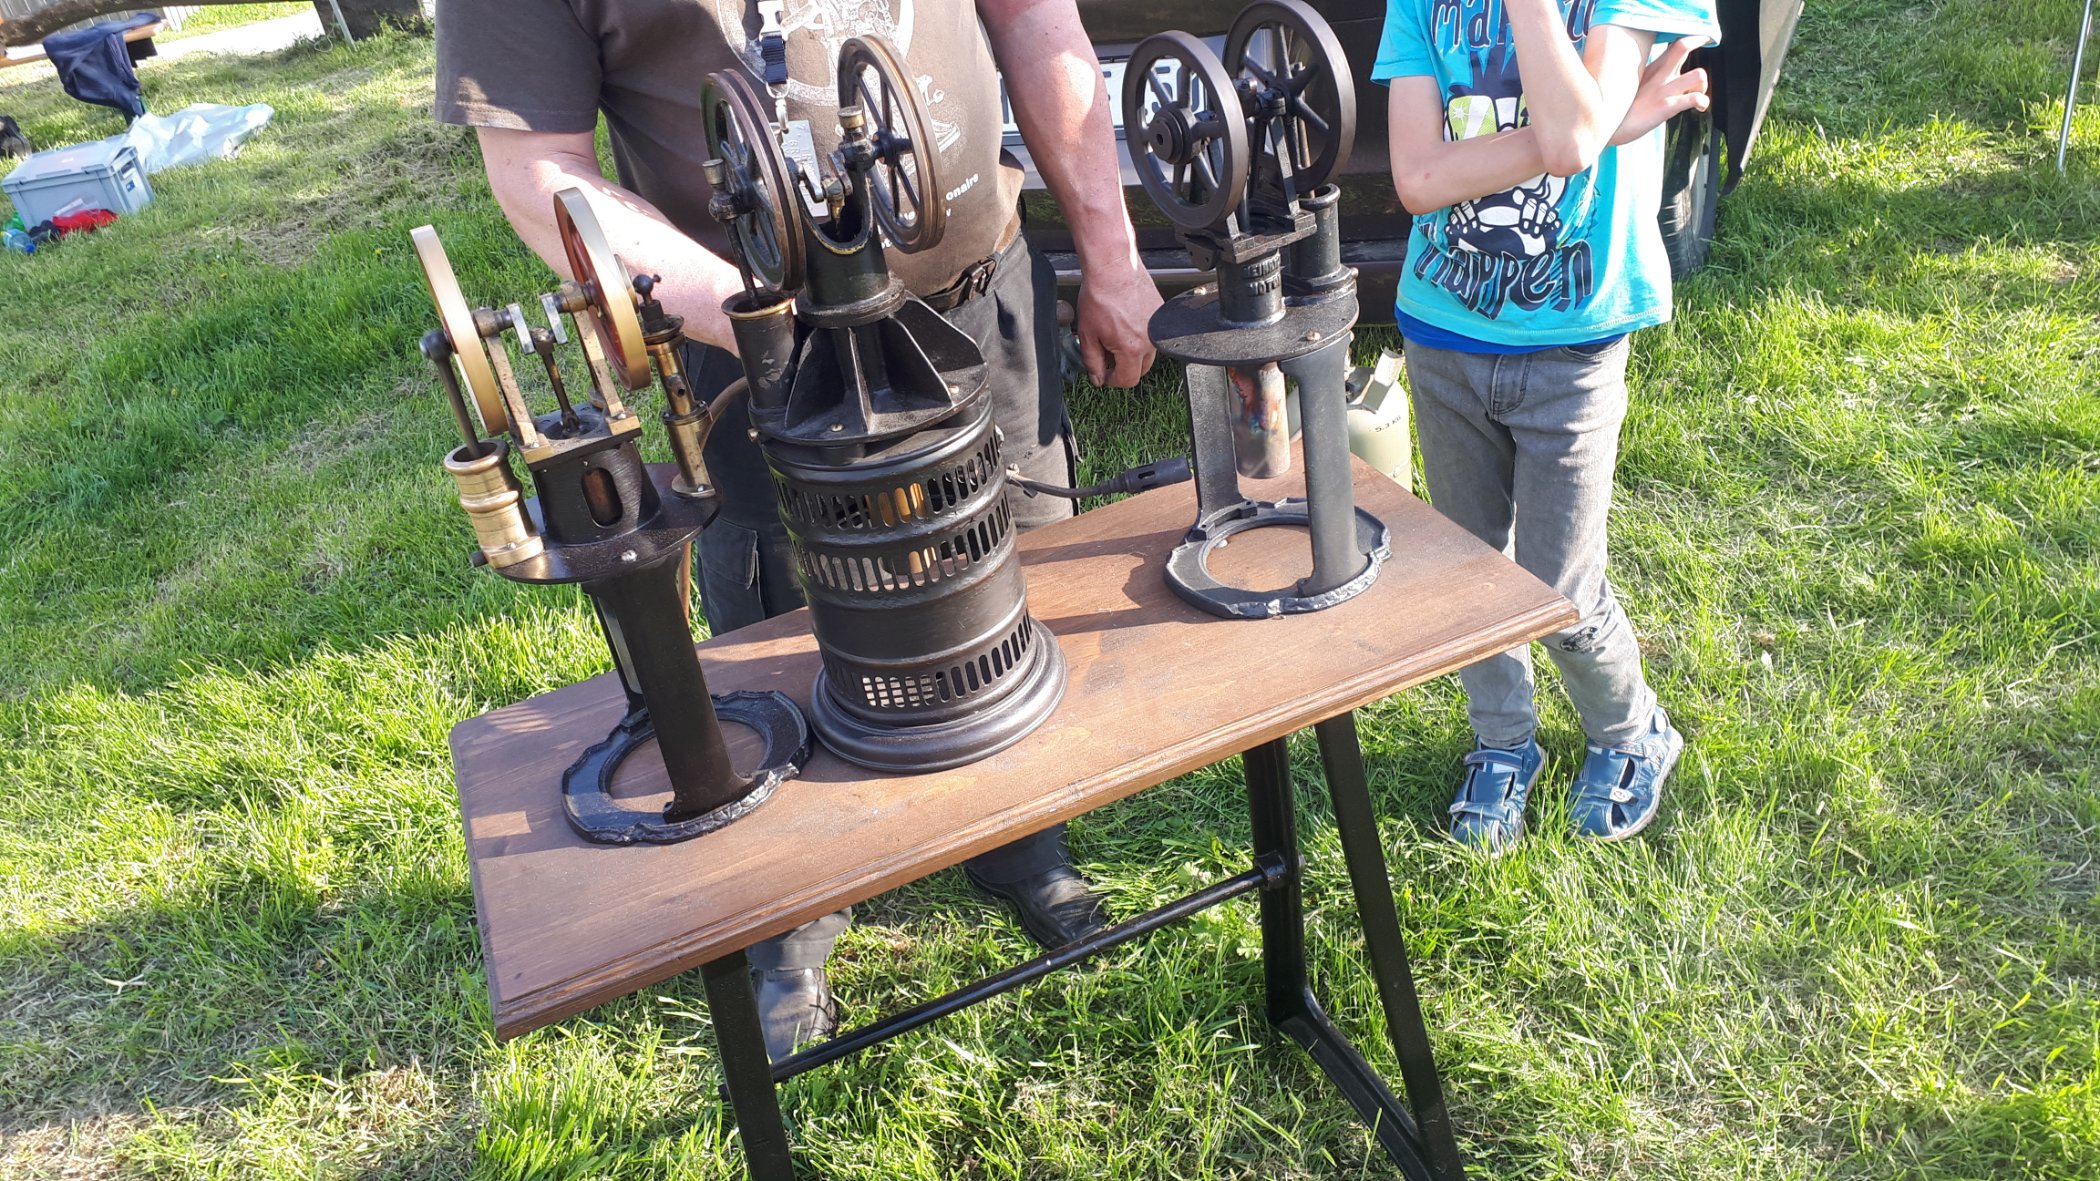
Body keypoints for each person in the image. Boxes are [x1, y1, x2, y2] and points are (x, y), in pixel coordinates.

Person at [434, 0, 1162, 1056]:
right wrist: (769, 326)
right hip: (749, 345)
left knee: (1006, 583)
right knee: (785, 624)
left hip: (975, 299)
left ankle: (1018, 834)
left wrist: (1111, 249)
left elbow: (1036, 21)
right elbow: (538, 169)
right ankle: (798, 909)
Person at [1372, 0, 1720, 850]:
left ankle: (1631, 730)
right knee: (1470, 570)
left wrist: (1585, 132)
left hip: (1574, 345)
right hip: (1443, 331)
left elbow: (1568, 141)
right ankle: (1502, 742)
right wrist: (1611, 126)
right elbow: (1418, 178)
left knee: (1559, 586)